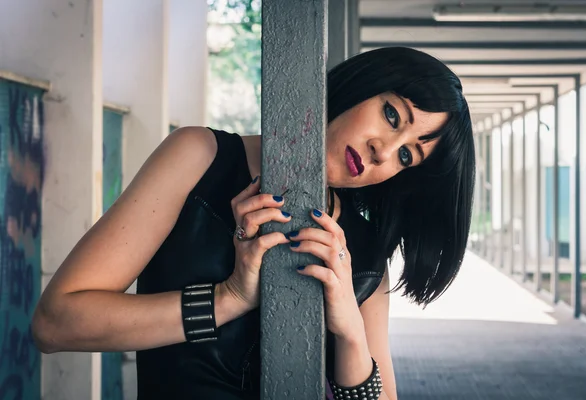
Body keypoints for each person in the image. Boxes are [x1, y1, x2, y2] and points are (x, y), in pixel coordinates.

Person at [32, 47, 475, 400]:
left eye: (405, 155)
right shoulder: (199, 158)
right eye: (392, 115)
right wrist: (228, 299)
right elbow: (55, 323)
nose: (383, 150)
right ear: (361, 85)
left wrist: (351, 333)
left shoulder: (363, 258)